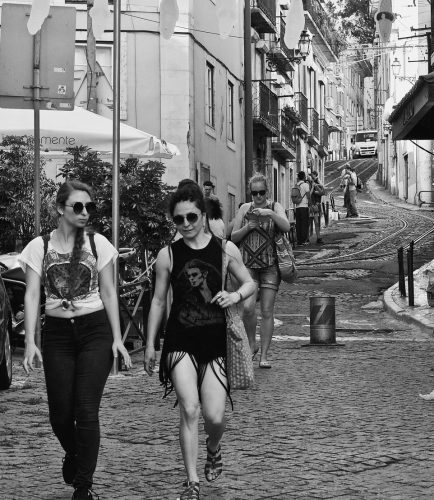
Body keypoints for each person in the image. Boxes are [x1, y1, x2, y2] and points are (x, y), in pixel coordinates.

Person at [20, 181, 131, 500]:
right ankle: (74, 452)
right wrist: (30, 341)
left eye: (89, 207)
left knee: (86, 409)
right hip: (57, 334)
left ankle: (83, 487)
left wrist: (117, 338)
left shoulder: (99, 244)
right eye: (78, 206)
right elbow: (32, 294)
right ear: (60, 209)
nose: (85, 212)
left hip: (95, 331)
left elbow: (109, 292)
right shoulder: (39, 246)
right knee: (59, 414)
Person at [144, 183, 256, 500]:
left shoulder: (225, 250)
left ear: (203, 216)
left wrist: (234, 295)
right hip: (180, 341)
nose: (186, 224)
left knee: (215, 417)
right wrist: (150, 343)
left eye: (191, 217)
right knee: (190, 409)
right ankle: (192, 482)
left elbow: (249, 283)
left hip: (215, 342)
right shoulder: (167, 255)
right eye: (179, 219)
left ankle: (214, 445)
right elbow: (158, 301)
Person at [230, 174, 290, 369]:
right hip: (248, 266)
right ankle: (251, 343)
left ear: (267, 192)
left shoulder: (275, 207)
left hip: (270, 266)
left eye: (261, 193)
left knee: (266, 311)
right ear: (250, 193)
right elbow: (233, 236)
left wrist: (270, 214)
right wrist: (248, 227)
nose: (258, 196)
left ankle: (264, 355)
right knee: (247, 307)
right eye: (254, 193)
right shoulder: (244, 209)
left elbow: (286, 226)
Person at [293, 171, 312, 246]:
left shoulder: (296, 185)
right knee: (304, 224)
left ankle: (299, 241)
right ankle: (304, 240)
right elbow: (308, 196)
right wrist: (310, 205)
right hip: (304, 207)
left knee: (298, 224)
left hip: (297, 207)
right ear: (304, 177)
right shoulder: (305, 185)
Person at [306, 171, 324, 245]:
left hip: (314, 206)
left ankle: (318, 237)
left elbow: (322, 192)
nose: (310, 177)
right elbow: (309, 195)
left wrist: (316, 186)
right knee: (310, 223)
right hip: (310, 206)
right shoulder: (308, 184)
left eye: (311, 176)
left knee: (316, 222)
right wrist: (313, 187)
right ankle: (308, 238)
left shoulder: (316, 183)